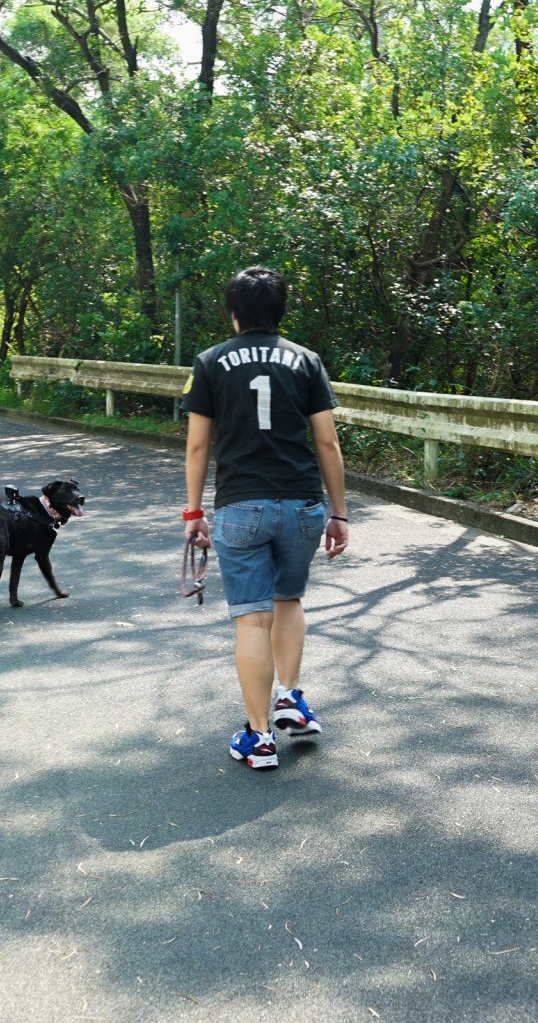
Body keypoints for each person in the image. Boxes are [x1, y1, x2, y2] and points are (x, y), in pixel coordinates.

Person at [180, 267, 349, 771]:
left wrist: (193, 512)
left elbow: (196, 445)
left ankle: (258, 739)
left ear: (234, 313)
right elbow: (327, 442)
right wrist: (339, 513)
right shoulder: (306, 360)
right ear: (280, 311)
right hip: (301, 505)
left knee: (252, 618)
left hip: (241, 506)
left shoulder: (210, 361)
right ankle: (290, 697)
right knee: (289, 599)